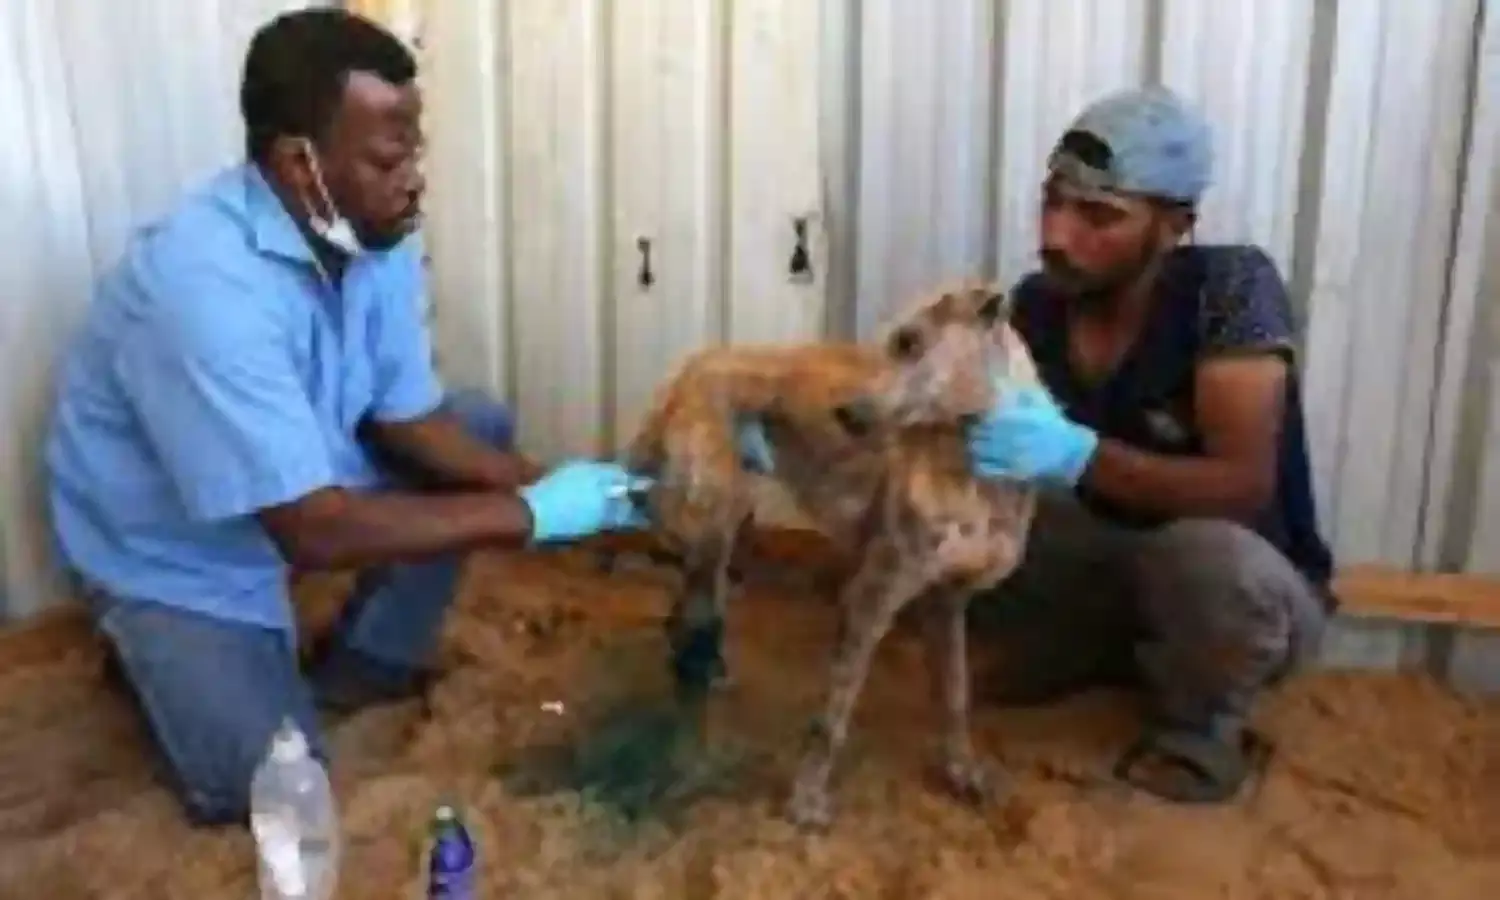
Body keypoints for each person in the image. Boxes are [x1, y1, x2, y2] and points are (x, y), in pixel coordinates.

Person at [42, 8, 649, 827]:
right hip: (174, 549)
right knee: (274, 787)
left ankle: (365, 664)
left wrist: (591, 492)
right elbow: (312, 531)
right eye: (391, 156)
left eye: (416, 150)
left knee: (478, 426)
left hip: (296, 467)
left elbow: (409, 420)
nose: (415, 177)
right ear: (301, 164)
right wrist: (530, 515)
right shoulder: (204, 289)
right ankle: (146, 643)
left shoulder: (372, 233)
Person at [963, 86, 1336, 805]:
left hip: (1244, 591)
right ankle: (1091, 653)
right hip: (1117, 565)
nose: (1056, 235)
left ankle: (1201, 732)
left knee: (1204, 557)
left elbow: (1242, 488)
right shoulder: (1041, 302)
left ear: (1173, 226)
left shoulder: (1230, 290)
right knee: (980, 504)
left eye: (1098, 215)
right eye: (1052, 201)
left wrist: (1078, 455)